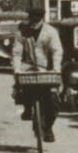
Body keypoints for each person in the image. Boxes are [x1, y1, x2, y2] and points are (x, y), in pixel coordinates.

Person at [12, 8, 63, 141]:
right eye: (32, 19)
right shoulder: (21, 32)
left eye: (37, 20)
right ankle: (27, 108)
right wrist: (17, 69)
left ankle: (49, 128)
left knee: (54, 100)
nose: (34, 23)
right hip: (28, 68)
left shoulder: (51, 32)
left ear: (42, 19)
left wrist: (56, 69)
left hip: (48, 70)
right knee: (21, 89)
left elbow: (57, 52)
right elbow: (17, 53)